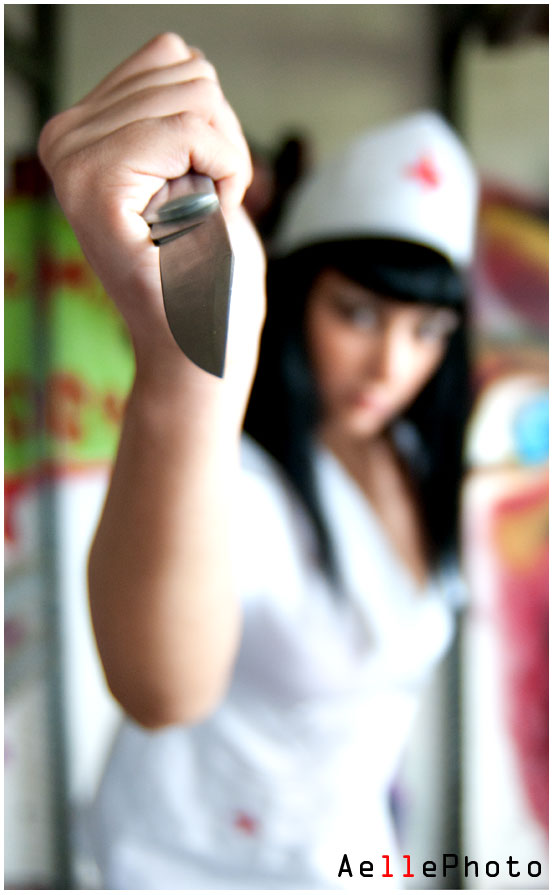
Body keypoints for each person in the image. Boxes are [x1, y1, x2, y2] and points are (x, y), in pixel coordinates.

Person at [38, 34, 478, 889]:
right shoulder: (237, 480)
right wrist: (189, 363)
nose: (391, 365)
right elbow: (163, 691)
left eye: (427, 330)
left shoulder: (412, 452)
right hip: (193, 865)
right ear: (295, 297)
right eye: (357, 313)